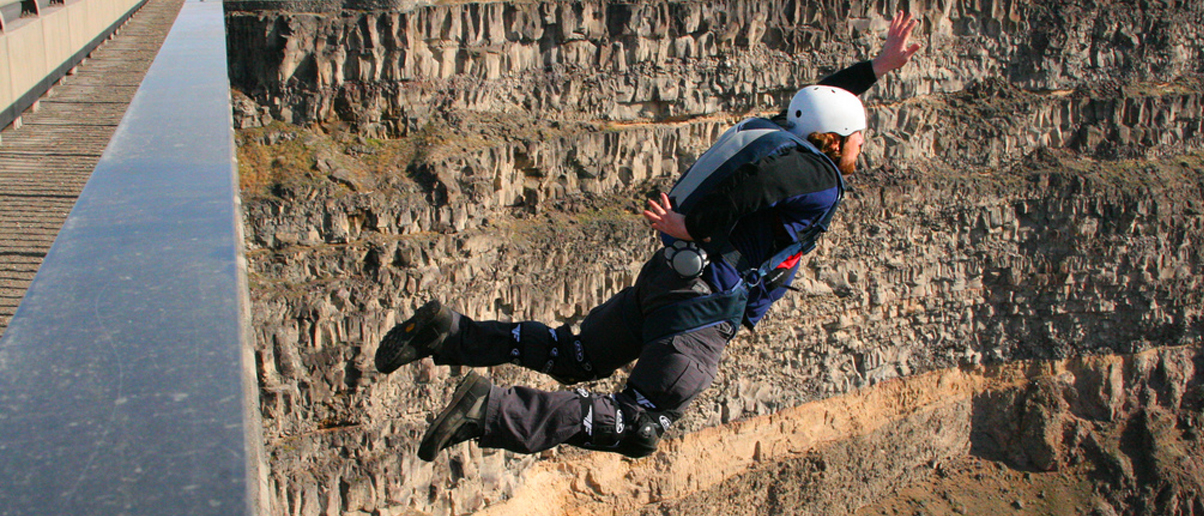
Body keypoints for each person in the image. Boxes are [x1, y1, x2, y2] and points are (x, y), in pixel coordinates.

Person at [376, 12, 922, 462]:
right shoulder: (819, 176)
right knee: (640, 423)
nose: (862, 145)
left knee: (576, 355)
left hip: (670, 280)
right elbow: (763, 181)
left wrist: (876, 68)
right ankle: (492, 411)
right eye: (858, 137)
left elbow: (815, 106)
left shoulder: (785, 134)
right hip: (703, 306)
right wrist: (695, 225)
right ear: (833, 140)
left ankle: (451, 334)